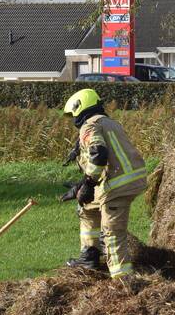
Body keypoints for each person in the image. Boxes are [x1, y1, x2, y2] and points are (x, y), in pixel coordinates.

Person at [60, 88, 148, 278]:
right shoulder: (109, 122)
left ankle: (123, 281)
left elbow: (99, 154)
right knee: (87, 207)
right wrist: (80, 187)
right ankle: (89, 256)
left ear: (79, 108)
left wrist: (88, 184)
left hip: (117, 185)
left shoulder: (89, 126)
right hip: (128, 178)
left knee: (112, 234)